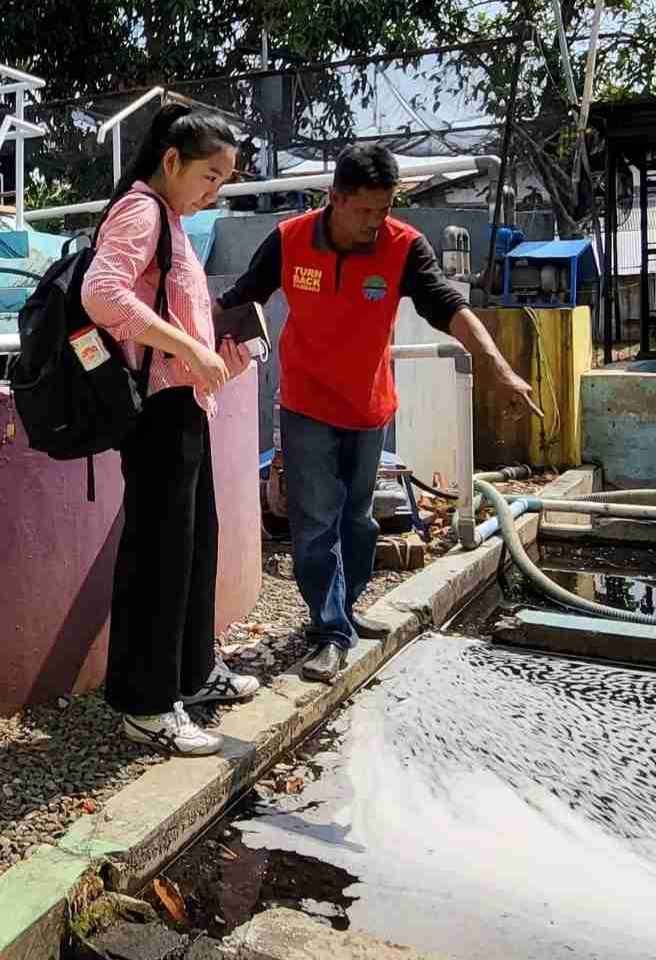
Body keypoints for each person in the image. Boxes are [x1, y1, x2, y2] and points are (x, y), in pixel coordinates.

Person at [217, 144, 540, 683]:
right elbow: (241, 296)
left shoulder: (403, 247)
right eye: (364, 210)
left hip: (369, 407)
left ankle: (343, 609)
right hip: (306, 406)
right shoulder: (290, 240)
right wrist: (196, 347)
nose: (375, 222)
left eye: (385, 209)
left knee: (359, 520)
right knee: (315, 522)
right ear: (334, 199)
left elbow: (449, 307)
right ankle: (329, 631)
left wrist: (497, 368)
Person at [82, 104, 261, 756]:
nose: (215, 190)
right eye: (209, 176)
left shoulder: (175, 223)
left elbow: (170, 314)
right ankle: (147, 704)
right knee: (159, 557)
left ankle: (191, 673)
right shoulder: (142, 211)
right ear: (171, 162)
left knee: (194, 546)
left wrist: (218, 352)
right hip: (157, 413)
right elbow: (102, 294)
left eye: (225, 180)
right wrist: (189, 347)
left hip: (185, 406)